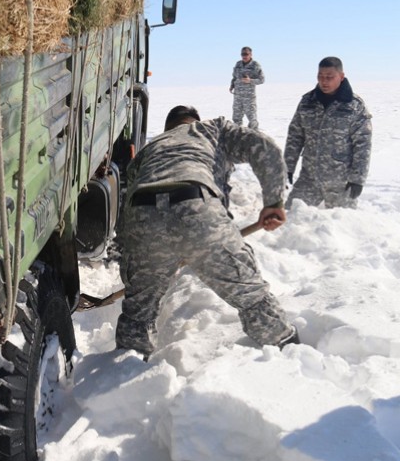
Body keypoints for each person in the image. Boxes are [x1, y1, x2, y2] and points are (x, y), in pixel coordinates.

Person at [115, 105, 299, 358]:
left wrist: (138, 265)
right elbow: (264, 147)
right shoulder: (213, 129)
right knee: (251, 296)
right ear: (193, 122)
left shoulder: (150, 149)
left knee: (137, 315)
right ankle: (286, 350)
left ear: (169, 127)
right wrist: (273, 202)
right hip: (195, 205)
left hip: (142, 215)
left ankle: (124, 370)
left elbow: (125, 209)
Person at [284, 57, 373, 209]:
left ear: (341, 76)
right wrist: (287, 167)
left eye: (329, 77)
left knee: (342, 226)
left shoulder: (354, 106)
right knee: (291, 217)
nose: (324, 81)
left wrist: (357, 179)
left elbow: (363, 145)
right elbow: (295, 137)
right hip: (309, 179)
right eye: (320, 76)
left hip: (341, 183)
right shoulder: (307, 102)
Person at [229, 47, 264, 129]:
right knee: (236, 119)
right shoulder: (238, 64)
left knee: (252, 119)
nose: (244, 56)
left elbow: (261, 80)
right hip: (238, 96)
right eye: (242, 54)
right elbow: (234, 77)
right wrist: (232, 85)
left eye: (246, 54)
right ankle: (237, 136)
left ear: (251, 54)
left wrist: (250, 80)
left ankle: (254, 137)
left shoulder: (255, 65)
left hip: (249, 97)